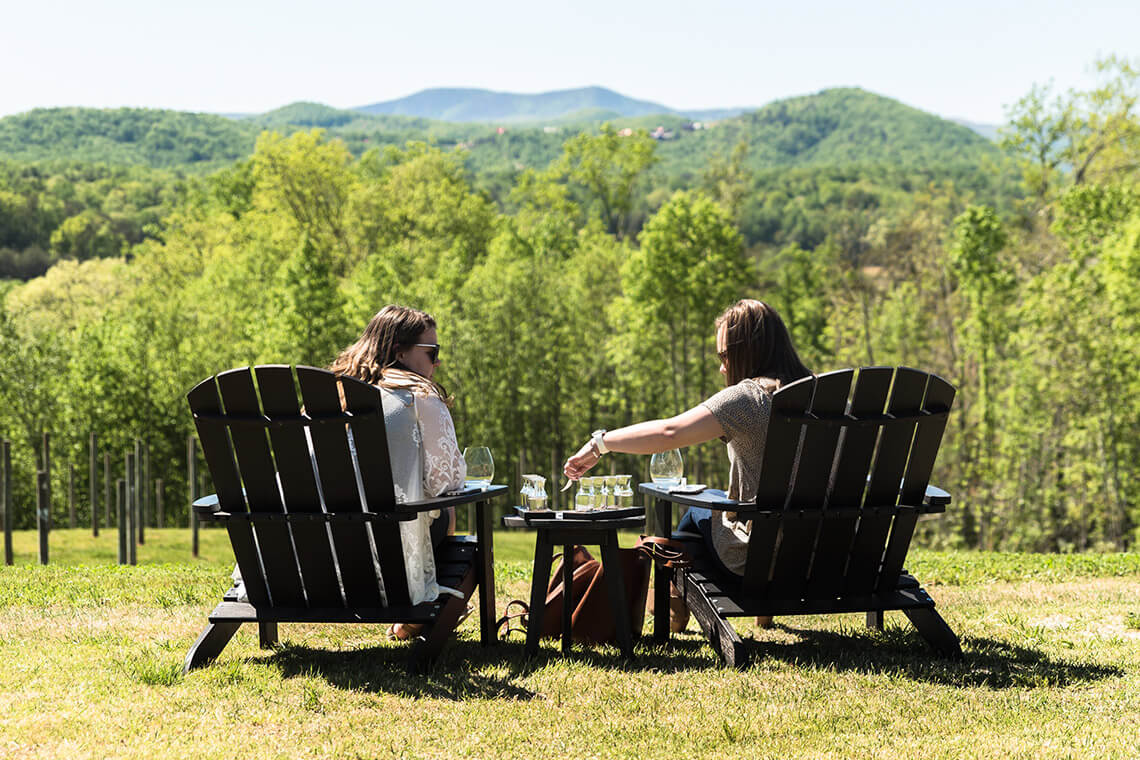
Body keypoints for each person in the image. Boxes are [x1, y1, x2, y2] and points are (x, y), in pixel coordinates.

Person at [563, 299, 812, 628]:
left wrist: (600, 444)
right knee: (714, 506)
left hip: (762, 560)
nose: (722, 367)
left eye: (725, 356)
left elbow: (669, 432)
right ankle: (728, 612)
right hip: (824, 554)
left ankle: (675, 610)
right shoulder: (824, 393)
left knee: (694, 514)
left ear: (749, 350)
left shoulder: (748, 398)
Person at [329, 304, 467, 638]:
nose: (437, 362)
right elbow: (447, 480)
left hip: (318, 556)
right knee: (444, 508)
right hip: (390, 558)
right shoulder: (419, 396)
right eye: (432, 352)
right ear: (399, 352)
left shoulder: (333, 396)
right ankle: (412, 620)